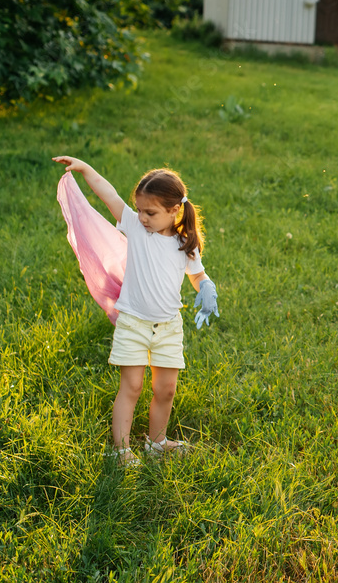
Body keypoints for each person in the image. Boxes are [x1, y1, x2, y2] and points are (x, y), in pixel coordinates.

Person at [53, 157, 221, 466]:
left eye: (151, 212)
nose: (142, 217)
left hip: (168, 327)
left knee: (166, 389)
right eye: (140, 210)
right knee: (131, 387)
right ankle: (121, 450)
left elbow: (197, 275)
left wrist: (206, 288)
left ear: (175, 210)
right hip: (133, 324)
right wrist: (86, 169)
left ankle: (157, 442)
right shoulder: (135, 227)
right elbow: (109, 195)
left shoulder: (186, 243)